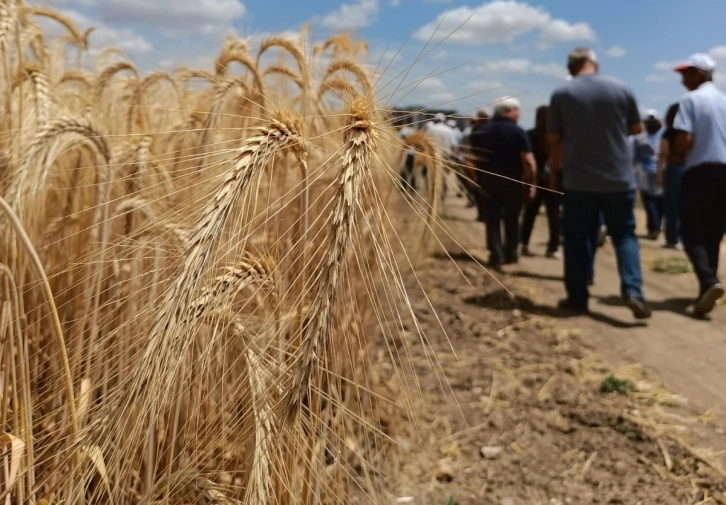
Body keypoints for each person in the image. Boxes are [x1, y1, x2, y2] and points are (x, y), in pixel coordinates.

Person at [547, 46, 651, 319]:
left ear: (571, 67)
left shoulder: (562, 93)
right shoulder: (621, 88)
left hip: (579, 179)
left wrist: (555, 172)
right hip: (618, 177)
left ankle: (577, 298)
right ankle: (633, 291)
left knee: (577, 238)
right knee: (625, 235)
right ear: (595, 63)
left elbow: (554, 140)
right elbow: (637, 128)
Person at [671, 53, 726, 315]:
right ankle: (707, 291)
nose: (683, 78)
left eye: (687, 73)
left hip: (702, 170)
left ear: (699, 74)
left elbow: (685, 137)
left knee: (691, 231)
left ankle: (708, 280)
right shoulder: (724, 100)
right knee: (713, 233)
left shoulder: (691, 100)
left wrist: (677, 154)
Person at [470, 97, 536, 267]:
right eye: (517, 111)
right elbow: (528, 161)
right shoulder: (518, 132)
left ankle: (495, 253)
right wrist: (531, 183)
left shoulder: (479, 131)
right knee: (512, 217)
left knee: (491, 217)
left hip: (487, 179)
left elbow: (473, 158)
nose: (519, 115)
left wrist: (475, 177)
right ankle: (511, 252)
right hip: (512, 180)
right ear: (510, 111)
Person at [520, 105, 561, 258]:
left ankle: (523, 243)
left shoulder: (530, 135)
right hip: (553, 179)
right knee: (554, 215)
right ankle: (553, 247)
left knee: (530, 213)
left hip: (535, 179)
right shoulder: (556, 136)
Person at [656, 103, 686, 249]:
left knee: (671, 206)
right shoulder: (688, 133)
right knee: (685, 205)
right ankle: (684, 237)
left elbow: (663, 154)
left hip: (674, 169)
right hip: (689, 168)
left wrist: (659, 173)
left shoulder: (668, 133)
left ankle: (672, 238)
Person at [633, 110, 665, 240]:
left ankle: (654, 227)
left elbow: (635, 156)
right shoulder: (663, 135)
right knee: (658, 200)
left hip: (645, 171)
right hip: (660, 170)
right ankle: (655, 226)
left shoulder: (640, 137)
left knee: (649, 200)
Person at [460, 108, 491, 221]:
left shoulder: (471, 131)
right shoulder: (491, 129)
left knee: (475, 185)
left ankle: (481, 212)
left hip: (474, 162)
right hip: (488, 164)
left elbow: (465, 149)